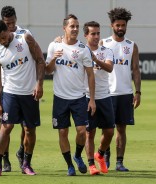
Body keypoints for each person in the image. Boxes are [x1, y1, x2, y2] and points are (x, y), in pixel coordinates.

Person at [0, 19, 45, 176]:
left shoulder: (25, 38)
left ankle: (26, 164)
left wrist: (39, 84)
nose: (2, 41)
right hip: (10, 93)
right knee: (6, 127)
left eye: (3, 37)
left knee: (29, 130)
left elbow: (40, 60)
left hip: (30, 93)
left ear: (8, 30)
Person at [45, 14, 96, 176]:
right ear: (64, 28)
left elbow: (90, 75)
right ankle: (69, 165)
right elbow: (47, 70)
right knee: (62, 132)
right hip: (60, 98)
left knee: (82, 131)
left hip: (79, 98)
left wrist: (92, 99)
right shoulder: (54, 46)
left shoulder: (83, 49)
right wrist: (53, 59)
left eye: (76, 26)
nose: (75, 29)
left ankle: (78, 156)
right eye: (71, 26)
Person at [0, 6, 29, 171]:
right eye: (6, 23)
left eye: (12, 22)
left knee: (27, 126)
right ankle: (5, 159)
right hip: (5, 85)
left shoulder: (25, 33)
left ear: (16, 19)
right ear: (2, 22)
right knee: (5, 125)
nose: (10, 25)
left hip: (24, 86)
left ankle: (22, 152)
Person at [100, 7, 141, 172]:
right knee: (107, 128)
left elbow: (136, 70)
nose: (121, 28)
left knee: (121, 129)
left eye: (123, 25)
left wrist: (138, 92)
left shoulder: (131, 46)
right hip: (107, 93)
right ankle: (106, 154)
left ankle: (119, 162)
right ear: (112, 25)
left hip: (125, 93)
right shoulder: (104, 43)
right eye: (118, 25)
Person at [82, 21, 115, 175]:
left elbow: (109, 68)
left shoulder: (106, 51)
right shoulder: (81, 51)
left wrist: (95, 60)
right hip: (87, 96)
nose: (96, 36)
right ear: (86, 35)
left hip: (105, 96)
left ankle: (100, 154)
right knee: (90, 132)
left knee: (109, 131)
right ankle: (91, 165)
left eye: (98, 33)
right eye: (92, 34)